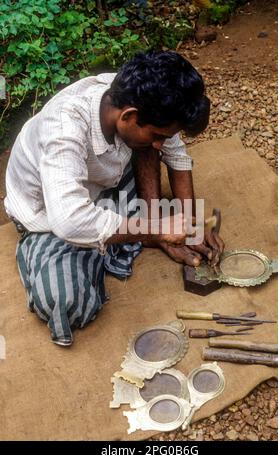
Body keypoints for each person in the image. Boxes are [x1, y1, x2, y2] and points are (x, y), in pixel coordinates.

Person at [5, 50, 224, 346]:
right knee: (69, 304)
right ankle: (110, 240)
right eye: (159, 133)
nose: (163, 141)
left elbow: (173, 152)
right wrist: (157, 230)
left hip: (104, 185)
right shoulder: (63, 129)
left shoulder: (133, 98)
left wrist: (190, 224)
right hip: (50, 213)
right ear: (128, 116)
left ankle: (130, 230)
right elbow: (69, 221)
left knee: (146, 146)